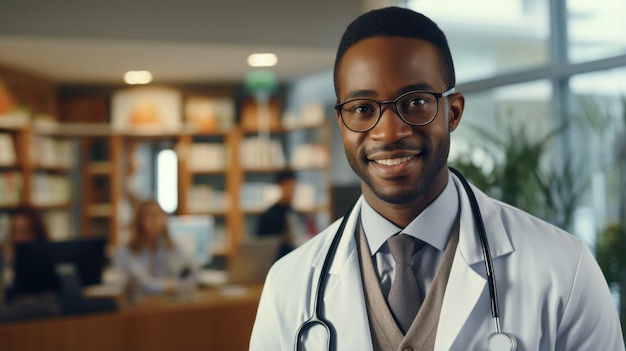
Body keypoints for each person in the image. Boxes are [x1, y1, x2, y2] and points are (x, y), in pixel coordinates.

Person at [250, 7, 625, 351]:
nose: (388, 132)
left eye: (414, 102)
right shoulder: (290, 284)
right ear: (342, 123)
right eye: (362, 109)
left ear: (453, 112)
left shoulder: (564, 268)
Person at [113, 199, 197, 301]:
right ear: (139, 221)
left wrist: (179, 284)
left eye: (159, 216)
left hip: (166, 306)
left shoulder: (172, 248)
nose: (156, 221)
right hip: (138, 308)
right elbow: (142, 285)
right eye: (150, 216)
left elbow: (193, 273)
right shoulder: (125, 253)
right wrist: (168, 286)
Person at [256, 169, 307, 260]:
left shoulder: (294, 212)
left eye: (294, 188)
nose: (293, 191)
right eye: (290, 187)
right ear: (281, 186)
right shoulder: (271, 215)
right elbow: (263, 246)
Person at [1, 207, 50, 297]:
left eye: (24, 232)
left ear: (37, 233)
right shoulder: (4, 256)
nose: (18, 237)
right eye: (14, 231)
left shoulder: (46, 260)